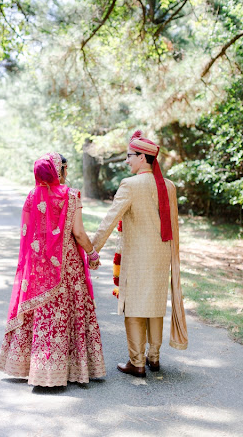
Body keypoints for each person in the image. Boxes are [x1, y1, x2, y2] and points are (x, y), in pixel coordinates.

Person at [0, 152, 106, 387]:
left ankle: (38, 368)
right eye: (65, 169)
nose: (66, 173)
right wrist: (92, 254)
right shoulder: (72, 195)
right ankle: (70, 369)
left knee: (43, 315)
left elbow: (29, 236)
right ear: (60, 171)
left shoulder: (30, 196)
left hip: (39, 268)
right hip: (67, 267)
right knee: (67, 312)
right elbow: (78, 233)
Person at [91, 130, 188, 378]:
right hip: (161, 254)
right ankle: (153, 358)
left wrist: (91, 248)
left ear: (143, 157)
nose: (127, 161)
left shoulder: (130, 185)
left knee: (134, 306)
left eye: (129, 156)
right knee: (155, 305)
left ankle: (137, 362)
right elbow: (174, 227)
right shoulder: (169, 186)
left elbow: (110, 220)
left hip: (137, 257)